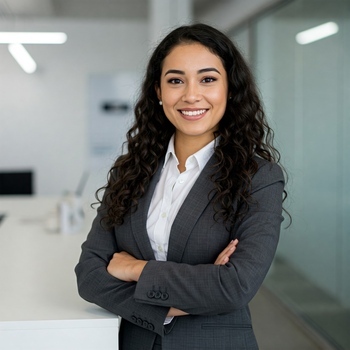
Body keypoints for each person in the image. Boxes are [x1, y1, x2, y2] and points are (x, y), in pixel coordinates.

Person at [75, 23, 286, 350]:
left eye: (208, 79)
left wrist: (133, 268)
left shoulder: (258, 177)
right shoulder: (130, 171)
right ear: (158, 92)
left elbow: (235, 287)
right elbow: (89, 276)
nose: (191, 95)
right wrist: (188, 296)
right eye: (175, 80)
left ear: (230, 88)